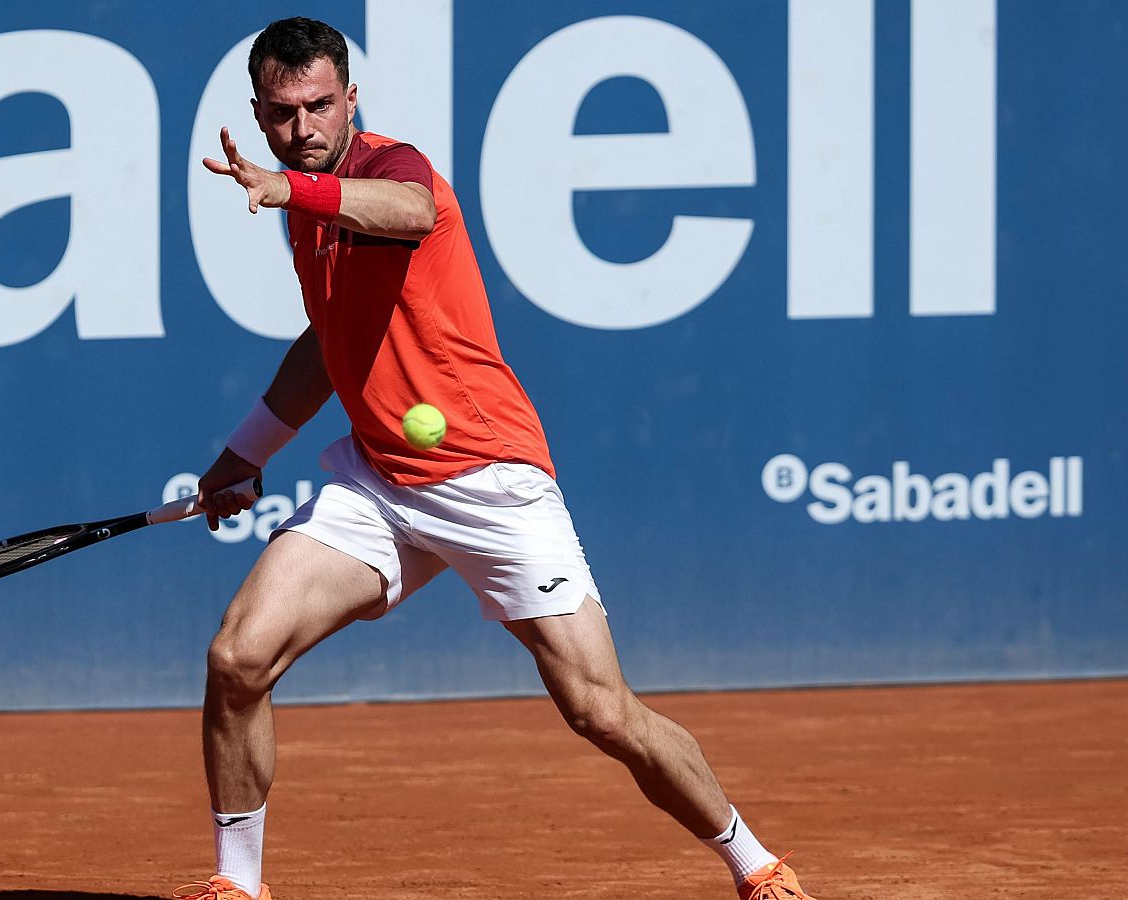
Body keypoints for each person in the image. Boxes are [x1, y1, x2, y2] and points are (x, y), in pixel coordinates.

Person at [177, 16, 820, 900]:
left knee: (600, 711)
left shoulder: (386, 173)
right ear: (259, 114)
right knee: (237, 659)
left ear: (350, 99)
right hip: (379, 481)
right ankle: (236, 887)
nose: (305, 129)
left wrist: (295, 192)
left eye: (321, 106)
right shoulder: (306, 211)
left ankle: (756, 864)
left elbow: (408, 213)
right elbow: (327, 346)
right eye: (285, 114)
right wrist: (241, 454)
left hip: (490, 481)